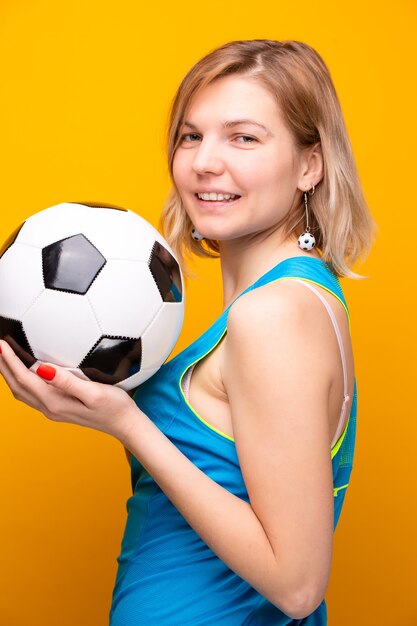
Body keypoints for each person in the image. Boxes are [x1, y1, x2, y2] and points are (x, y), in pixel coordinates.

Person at [0, 39, 376, 625]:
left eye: (244, 137)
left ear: (311, 163)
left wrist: (125, 421)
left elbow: (298, 584)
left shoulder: (273, 315)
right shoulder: (302, 296)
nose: (204, 161)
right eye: (190, 135)